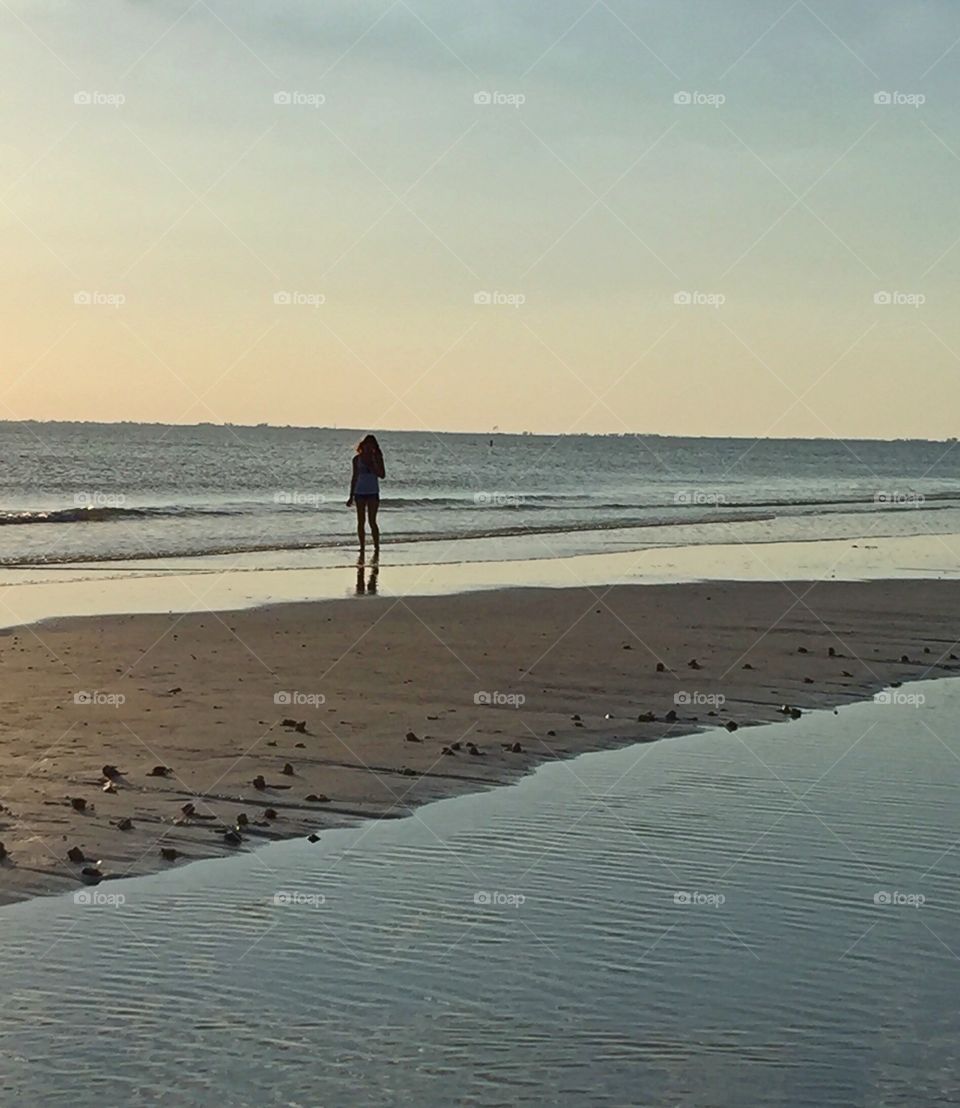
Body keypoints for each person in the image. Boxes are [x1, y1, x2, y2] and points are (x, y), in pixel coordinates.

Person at [346, 434, 385, 562]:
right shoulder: (357, 459)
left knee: (372, 521)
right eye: (367, 445)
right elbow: (354, 477)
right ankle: (362, 546)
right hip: (360, 492)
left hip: (373, 492)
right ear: (363, 445)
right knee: (360, 521)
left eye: (371, 446)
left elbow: (382, 475)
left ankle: (376, 546)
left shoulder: (377, 458)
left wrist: (373, 466)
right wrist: (351, 496)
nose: (369, 448)